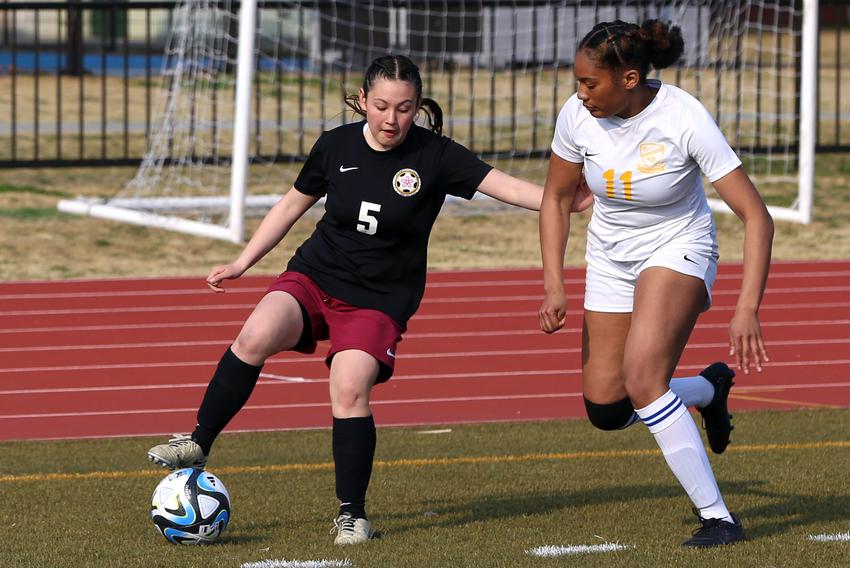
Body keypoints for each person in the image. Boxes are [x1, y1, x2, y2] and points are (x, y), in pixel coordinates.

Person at [147, 54, 591, 546]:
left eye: (404, 108)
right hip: (317, 274)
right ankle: (198, 443)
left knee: (349, 385)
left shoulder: (436, 156)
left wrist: (562, 198)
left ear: (418, 107)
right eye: (380, 106)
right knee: (255, 334)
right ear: (362, 101)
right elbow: (292, 204)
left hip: (380, 298)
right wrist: (242, 263)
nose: (391, 119)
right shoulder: (335, 145)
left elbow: (504, 187)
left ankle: (351, 515)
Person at [538, 20, 774, 547]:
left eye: (589, 84)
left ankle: (718, 518)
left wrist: (747, 308)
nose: (579, 94)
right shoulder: (577, 116)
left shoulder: (683, 117)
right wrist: (555, 282)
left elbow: (757, 217)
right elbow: (555, 199)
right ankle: (708, 390)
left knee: (644, 379)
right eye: (576, 82)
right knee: (607, 409)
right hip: (610, 258)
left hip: (679, 246)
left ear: (628, 78)